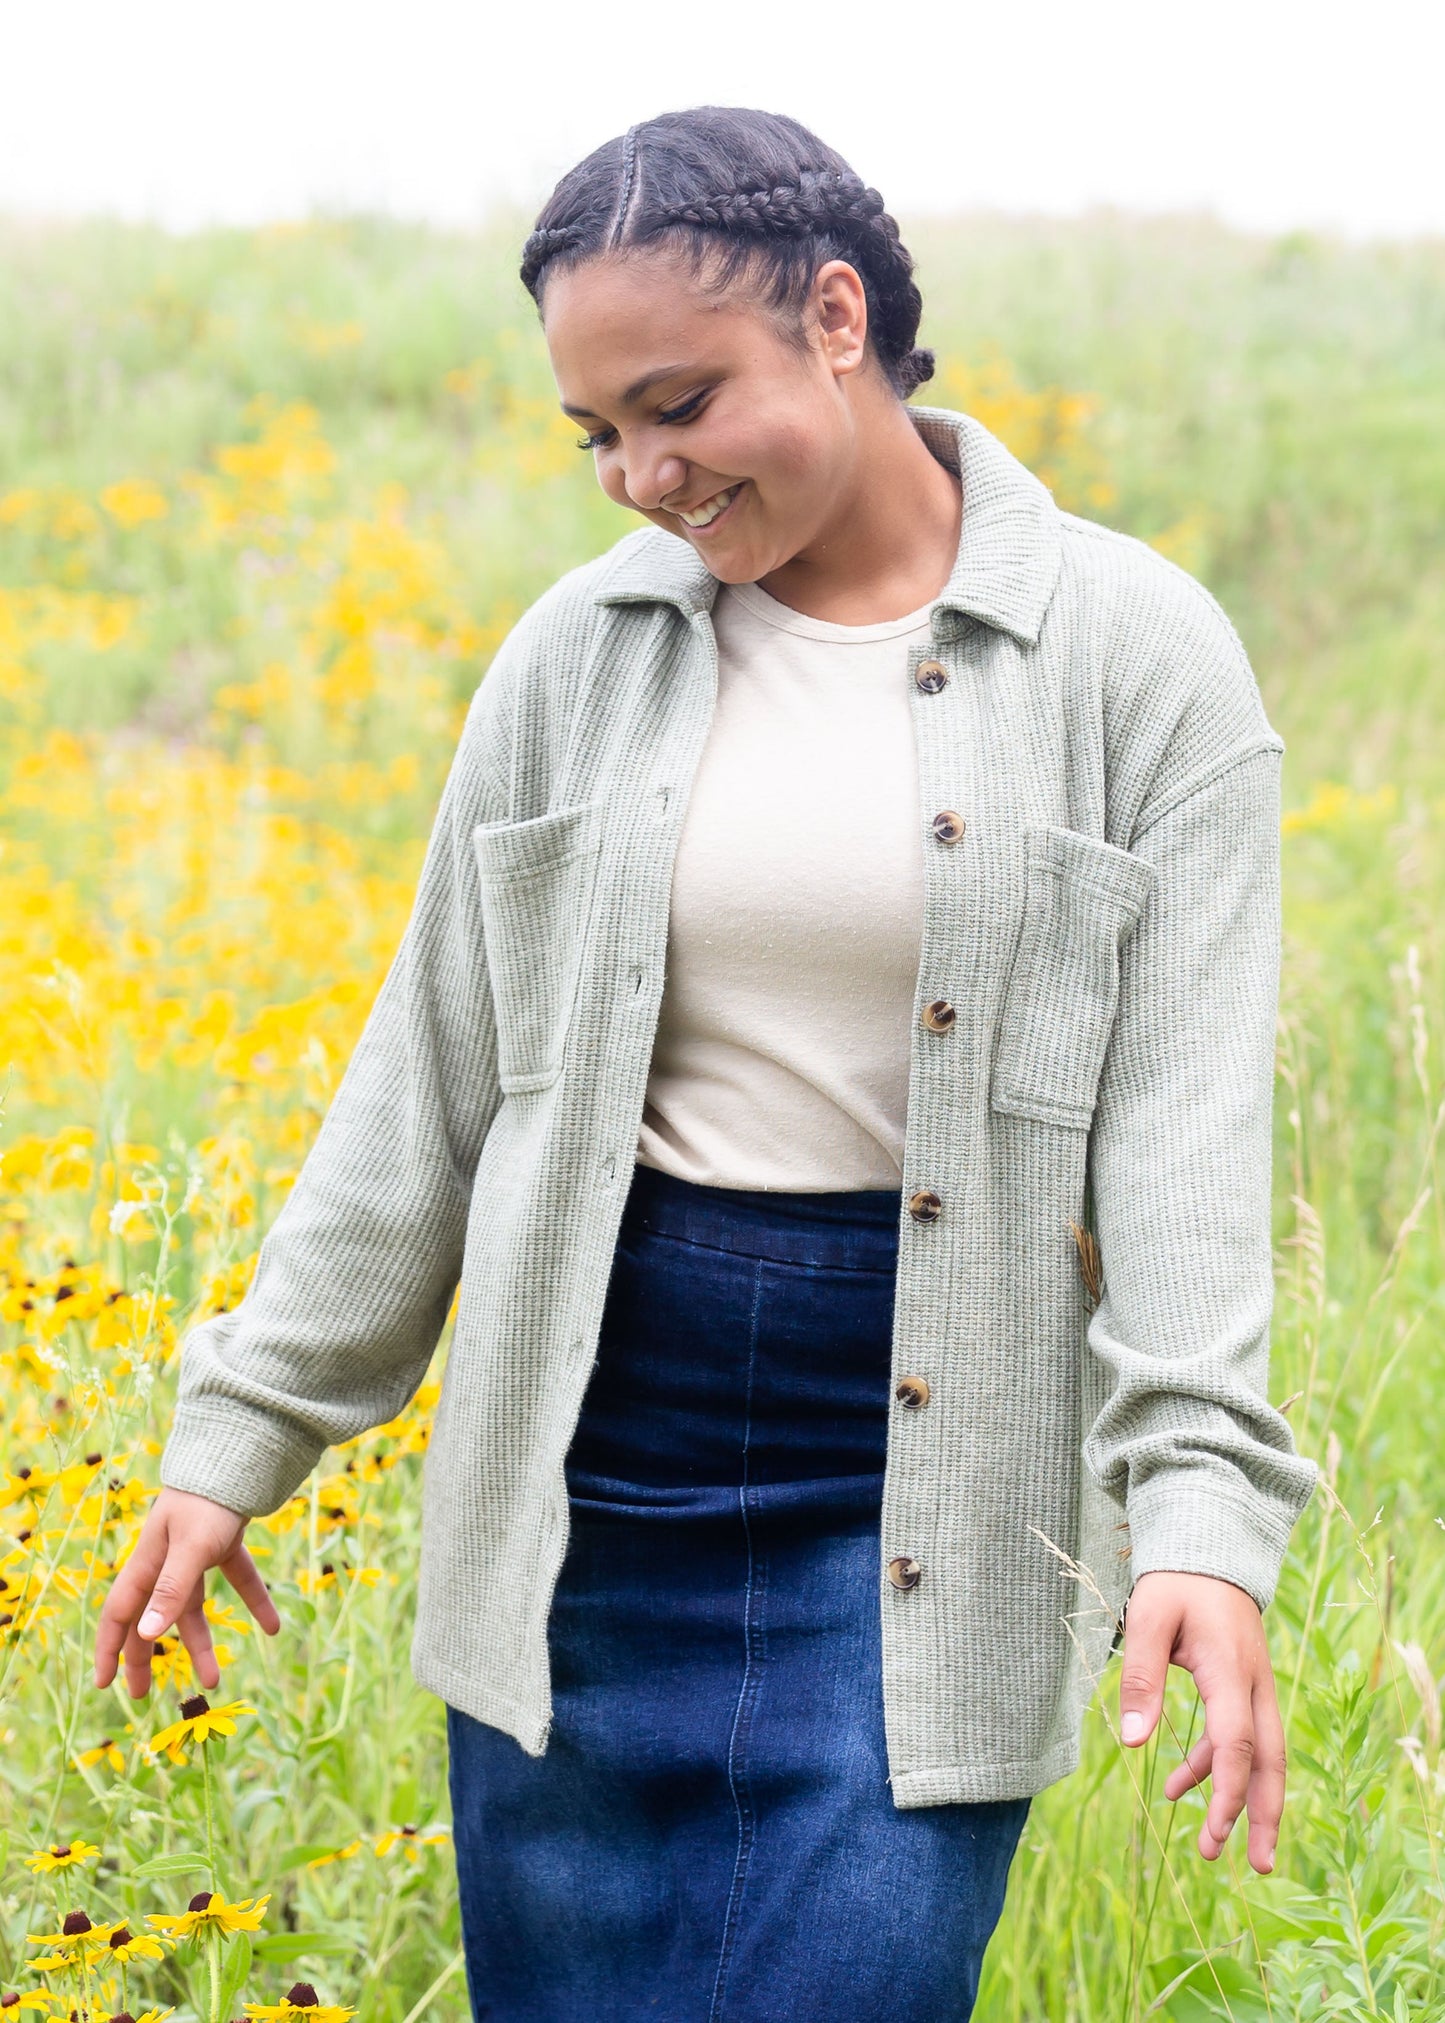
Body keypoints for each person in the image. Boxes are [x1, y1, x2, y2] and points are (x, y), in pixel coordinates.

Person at [95, 104, 1319, 2022]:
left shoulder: (1136, 664)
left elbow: (1180, 1144)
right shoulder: (573, 664)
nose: (639, 476)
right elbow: (430, 1072)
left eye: (677, 402)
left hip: (916, 1493)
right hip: (587, 1485)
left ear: (837, 317)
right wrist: (245, 1428)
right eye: (595, 432)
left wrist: (1200, 1524)